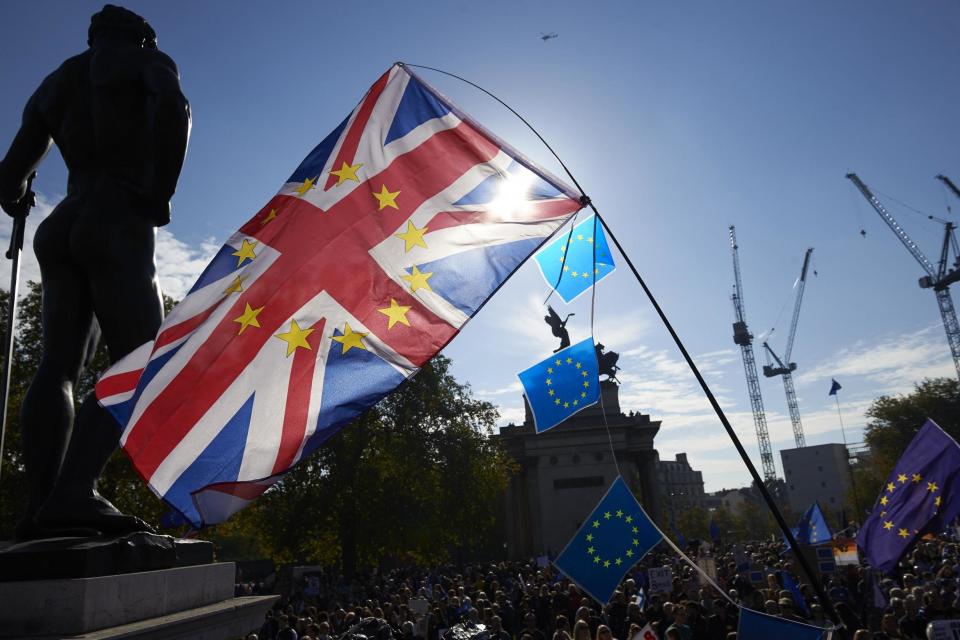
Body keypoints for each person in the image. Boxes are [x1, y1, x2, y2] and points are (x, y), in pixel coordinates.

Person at [0, 4, 190, 539]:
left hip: (63, 223)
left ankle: (42, 505)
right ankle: (73, 491)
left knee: (57, 365)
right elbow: (175, 111)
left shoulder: (56, 82)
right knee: (142, 358)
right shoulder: (147, 62)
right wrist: (159, 193)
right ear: (138, 36)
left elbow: (10, 176)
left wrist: (15, 197)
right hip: (117, 216)